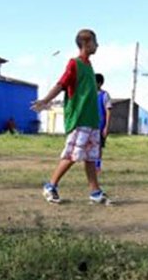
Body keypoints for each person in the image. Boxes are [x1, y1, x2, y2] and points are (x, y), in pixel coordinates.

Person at [32, 29, 109, 205]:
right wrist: (45, 100)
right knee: (72, 155)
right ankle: (50, 186)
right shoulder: (74, 64)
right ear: (86, 43)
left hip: (92, 121)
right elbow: (61, 84)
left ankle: (95, 192)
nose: (97, 45)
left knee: (90, 157)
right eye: (95, 42)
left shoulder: (89, 66)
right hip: (79, 120)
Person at [94, 73, 112, 174]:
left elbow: (108, 111)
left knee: (99, 146)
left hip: (100, 125)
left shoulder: (105, 95)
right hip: (90, 124)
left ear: (99, 83)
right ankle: (91, 167)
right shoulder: (89, 94)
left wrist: (106, 127)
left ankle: (97, 166)